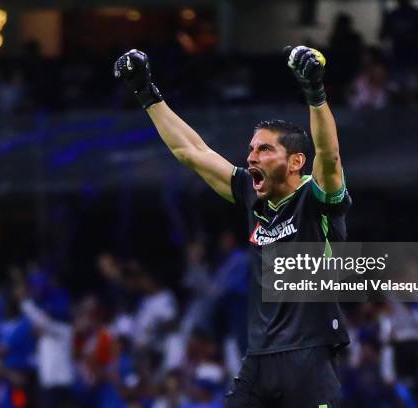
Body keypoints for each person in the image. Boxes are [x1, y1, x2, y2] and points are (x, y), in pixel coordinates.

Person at [114, 45, 351, 407]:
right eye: (252, 149)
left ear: (295, 162)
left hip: (310, 361)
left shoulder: (316, 199)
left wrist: (315, 95)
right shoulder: (251, 195)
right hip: (258, 361)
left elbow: (329, 157)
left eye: (264, 150)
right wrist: (147, 93)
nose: (251, 156)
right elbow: (191, 152)